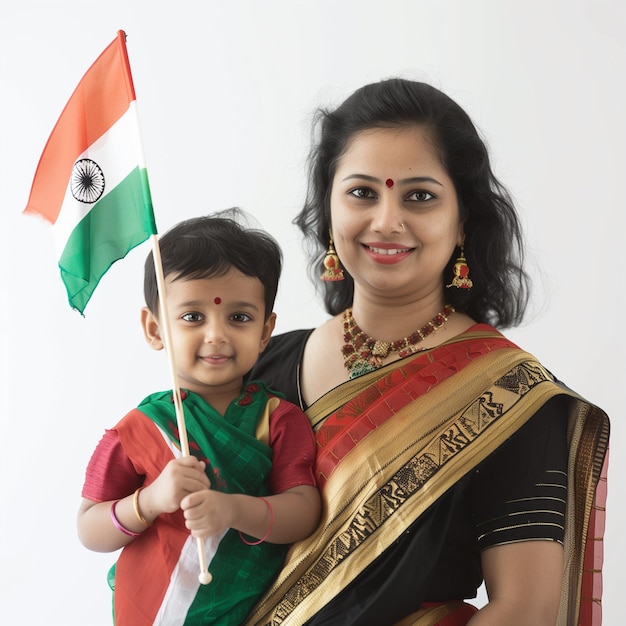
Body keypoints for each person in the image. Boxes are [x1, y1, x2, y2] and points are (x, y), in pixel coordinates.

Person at [244, 79, 609, 626]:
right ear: (328, 207)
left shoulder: (508, 395)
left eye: (419, 196)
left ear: (462, 219)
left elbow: (526, 610)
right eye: (363, 192)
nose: (387, 220)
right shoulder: (259, 364)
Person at [77, 211, 321, 625]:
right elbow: (89, 528)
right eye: (193, 316)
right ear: (155, 329)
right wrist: (150, 501)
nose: (216, 335)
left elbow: (305, 511)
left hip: (250, 610)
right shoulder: (139, 428)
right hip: (152, 609)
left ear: (266, 331)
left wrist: (234, 510)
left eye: (239, 317)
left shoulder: (277, 419)